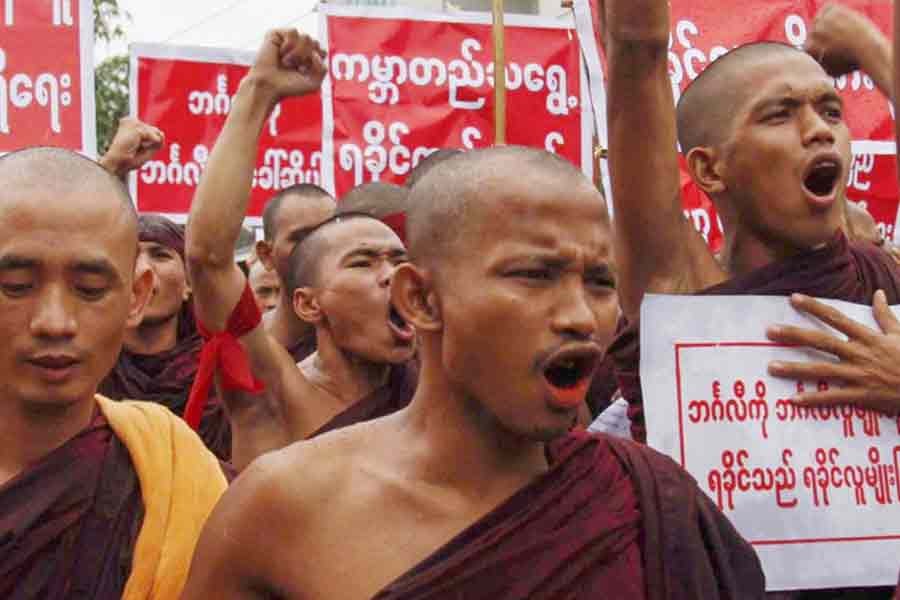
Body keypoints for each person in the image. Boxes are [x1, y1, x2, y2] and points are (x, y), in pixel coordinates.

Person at [182, 145, 765, 600]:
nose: (580, 315)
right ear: (422, 300)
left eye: (600, 282)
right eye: (534, 276)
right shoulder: (284, 507)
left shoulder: (644, 501)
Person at [602, 0, 900, 443]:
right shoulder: (681, 293)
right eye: (780, 114)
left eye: (832, 112)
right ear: (709, 170)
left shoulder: (884, 280)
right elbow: (636, 49)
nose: (820, 130)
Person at [184, 29, 417, 471]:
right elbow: (208, 257)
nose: (392, 275)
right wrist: (258, 92)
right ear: (309, 304)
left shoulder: (434, 397)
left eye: (399, 260)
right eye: (363, 262)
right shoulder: (276, 394)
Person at [0, 147, 226, 599]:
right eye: (16, 286)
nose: (54, 322)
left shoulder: (178, 475)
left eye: (90, 289)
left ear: (137, 298)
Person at [257, 183, 336, 361]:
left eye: (329, 234)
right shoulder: (249, 347)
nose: (317, 247)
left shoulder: (364, 344)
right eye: (301, 238)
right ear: (267, 255)